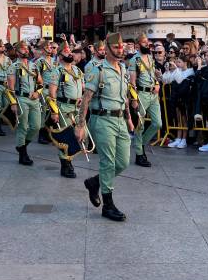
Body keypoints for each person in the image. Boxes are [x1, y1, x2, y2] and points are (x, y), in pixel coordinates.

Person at [76, 33, 134, 222]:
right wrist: (80, 125)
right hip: (102, 120)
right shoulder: (98, 70)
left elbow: (124, 97)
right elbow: (86, 98)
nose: (120, 50)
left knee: (123, 162)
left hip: (120, 120)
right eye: (116, 47)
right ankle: (108, 206)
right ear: (107, 48)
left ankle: (94, 182)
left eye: (121, 46)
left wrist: (128, 118)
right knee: (108, 162)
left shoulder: (123, 68)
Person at [46, 41, 84, 178]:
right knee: (66, 138)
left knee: (79, 136)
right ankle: (66, 165)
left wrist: (81, 97)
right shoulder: (57, 71)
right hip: (63, 107)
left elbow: (82, 87)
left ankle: (68, 161)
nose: (70, 53)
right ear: (60, 56)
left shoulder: (77, 70)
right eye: (66, 52)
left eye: (70, 51)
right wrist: (54, 111)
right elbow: (52, 93)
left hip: (77, 108)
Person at [129, 34, 162, 166]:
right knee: (140, 125)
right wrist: (134, 99)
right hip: (141, 94)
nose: (147, 44)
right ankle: (139, 154)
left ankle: (140, 143)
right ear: (138, 45)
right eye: (144, 42)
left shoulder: (150, 57)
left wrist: (157, 84)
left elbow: (153, 74)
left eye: (147, 41)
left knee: (157, 123)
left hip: (153, 94)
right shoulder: (134, 60)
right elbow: (132, 82)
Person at [8, 41, 42, 166]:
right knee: (23, 126)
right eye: (23, 49)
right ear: (17, 52)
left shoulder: (34, 66)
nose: (26, 51)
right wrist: (13, 103)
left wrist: (38, 93)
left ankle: (21, 145)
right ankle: (23, 154)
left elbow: (40, 83)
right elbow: (10, 88)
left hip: (34, 99)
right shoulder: (14, 67)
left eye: (27, 48)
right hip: (21, 98)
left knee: (36, 126)